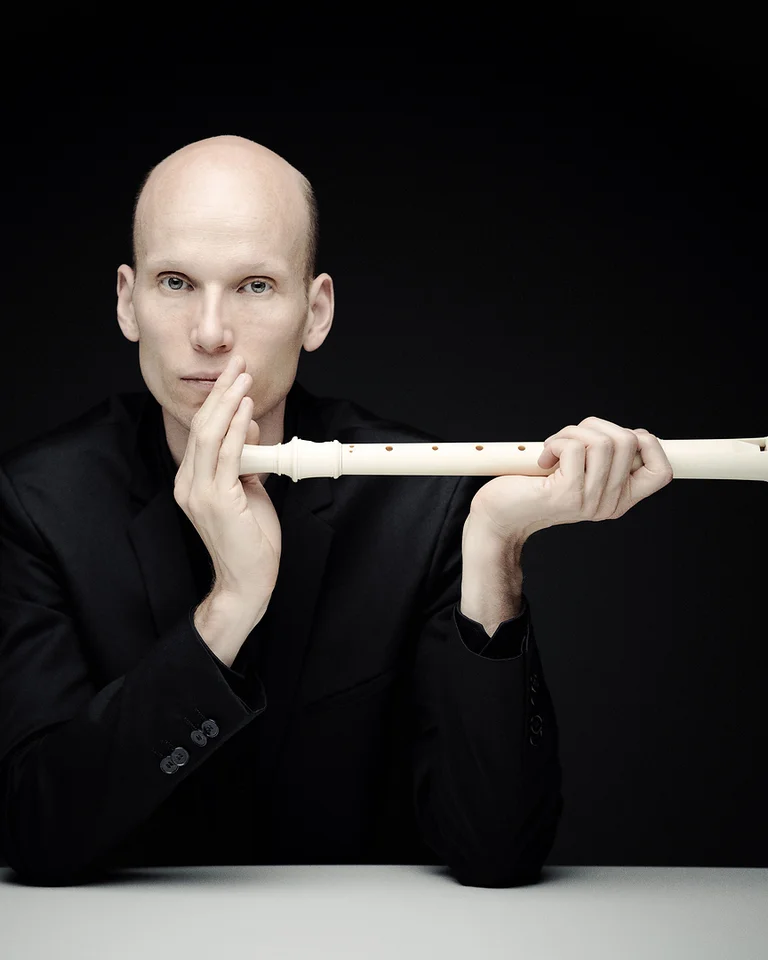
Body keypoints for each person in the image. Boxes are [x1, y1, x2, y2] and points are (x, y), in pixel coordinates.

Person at [0, 135, 672, 888]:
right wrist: (228, 609)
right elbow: (35, 832)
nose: (210, 332)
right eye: (176, 282)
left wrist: (494, 544)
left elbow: (498, 850)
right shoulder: (37, 503)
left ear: (314, 312)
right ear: (129, 301)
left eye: (255, 285)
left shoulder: (422, 500)